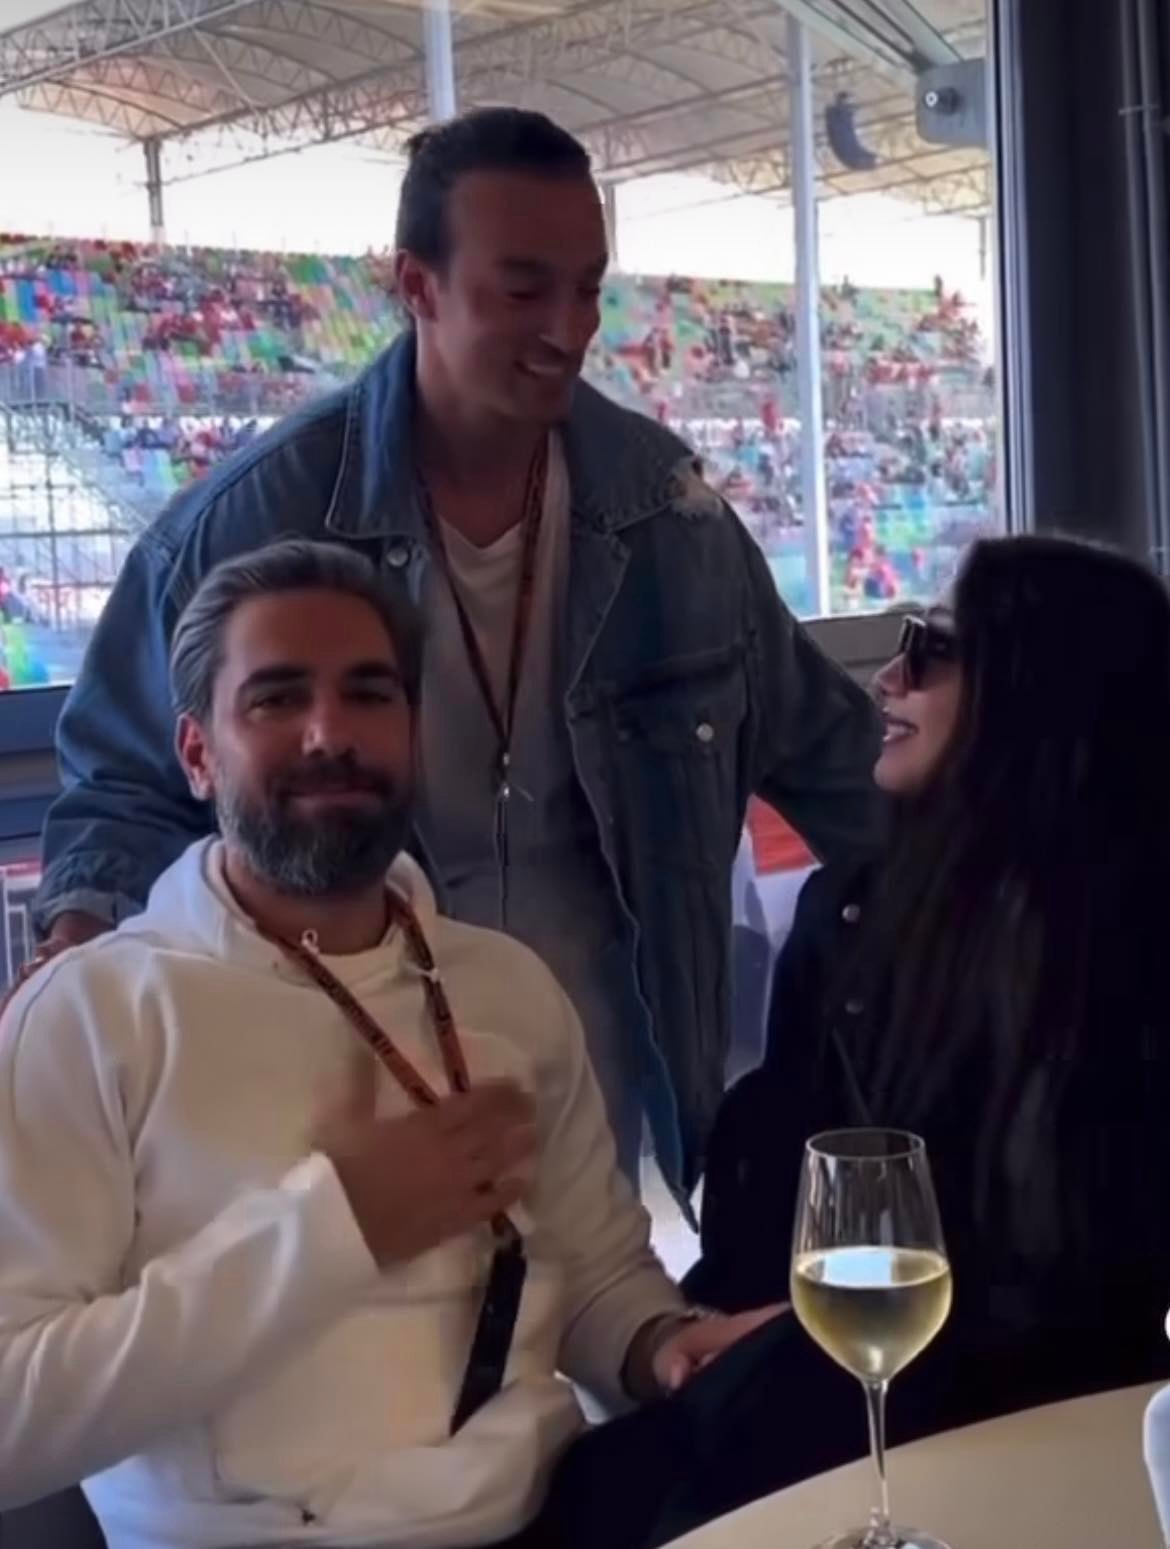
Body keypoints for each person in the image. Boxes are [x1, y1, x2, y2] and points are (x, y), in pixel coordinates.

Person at [32, 107, 881, 1194]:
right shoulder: (247, 523)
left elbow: (833, 756)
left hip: (597, 1101)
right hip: (337, 1105)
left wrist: (1025, 876)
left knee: (594, 1298)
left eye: (589, 288)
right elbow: (122, 787)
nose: (569, 328)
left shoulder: (670, 520)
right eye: (523, 290)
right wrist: (75, 969)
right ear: (416, 285)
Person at [0, 542, 788, 1549]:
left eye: (368, 695)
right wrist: (336, 1226)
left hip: (549, 1514)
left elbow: (592, 1274)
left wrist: (660, 1343)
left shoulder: (505, 986)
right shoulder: (95, 1013)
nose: (330, 733)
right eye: (277, 698)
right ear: (198, 755)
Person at [686, 534, 1170, 1485]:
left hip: (1061, 1425)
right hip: (841, 1382)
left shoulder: (1133, 957)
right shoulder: (849, 912)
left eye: (933, 650)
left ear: (1038, 690)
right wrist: (714, 1327)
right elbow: (781, 1189)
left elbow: (1075, 1281)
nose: (886, 681)